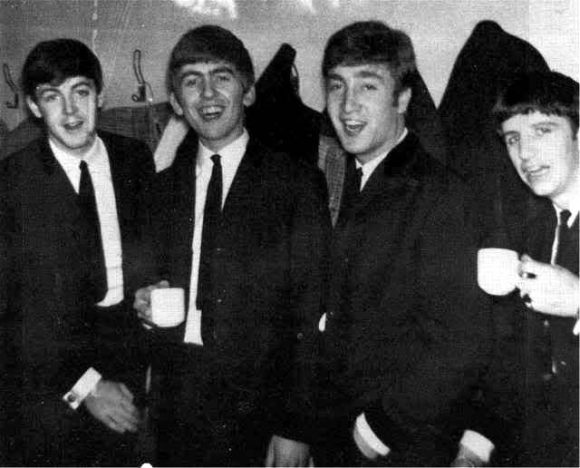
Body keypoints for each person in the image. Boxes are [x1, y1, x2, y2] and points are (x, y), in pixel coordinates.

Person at [133, 25, 330, 466]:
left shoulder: (295, 184)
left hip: (259, 408)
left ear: (249, 92)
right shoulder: (160, 190)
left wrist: (295, 426)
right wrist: (145, 308)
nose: (207, 94)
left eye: (221, 77)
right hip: (176, 404)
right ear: (177, 103)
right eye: (191, 81)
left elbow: (310, 311)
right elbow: (147, 285)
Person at [306, 21, 491, 466]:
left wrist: (375, 431)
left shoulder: (439, 192)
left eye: (367, 86)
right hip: (340, 434)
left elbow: (460, 343)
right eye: (337, 86)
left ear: (403, 98)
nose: (348, 105)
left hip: (398, 443)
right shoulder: (341, 176)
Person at [0, 38, 156, 466]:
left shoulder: (134, 159)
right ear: (34, 107)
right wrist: (85, 386)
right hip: (48, 382)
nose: (70, 112)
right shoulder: (11, 184)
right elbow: (13, 316)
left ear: (100, 96)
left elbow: (150, 255)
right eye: (53, 97)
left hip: (126, 364)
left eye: (81, 93)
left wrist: (148, 292)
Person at [454, 71, 579, 467]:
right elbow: (518, 359)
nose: (525, 153)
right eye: (513, 138)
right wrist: (474, 447)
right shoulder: (539, 227)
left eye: (543, 130)